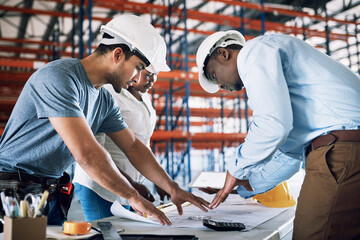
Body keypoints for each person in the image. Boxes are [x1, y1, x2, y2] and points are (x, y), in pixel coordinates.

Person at [0, 14, 209, 226]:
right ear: (118, 54)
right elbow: (86, 154)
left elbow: (133, 146)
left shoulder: (103, 98)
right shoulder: (59, 78)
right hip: (13, 189)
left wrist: (173, 188)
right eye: (137, 67)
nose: (137, 77)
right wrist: (133, 196)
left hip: (50, 191)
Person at [195, 30, 360, 239]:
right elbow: (290, 155)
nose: (219, 86)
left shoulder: (256, 52)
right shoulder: (280, 73)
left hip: (340, 153)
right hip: (348, 151)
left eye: (213, 75)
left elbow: (272, 124)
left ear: (223, 54)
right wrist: (244, 185)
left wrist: (235, 168)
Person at [73, 68, 170, 221]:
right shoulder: (107, 93)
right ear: (135, 69)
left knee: (125, 233)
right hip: (102, 185)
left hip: (129, 186)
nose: (152, 80)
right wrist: (132, 185)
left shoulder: (145, 97)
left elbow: (142, 144)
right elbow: (97, 150)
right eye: (148, 75)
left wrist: (159, 180)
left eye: (155, 75)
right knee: (108, 234)